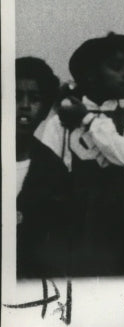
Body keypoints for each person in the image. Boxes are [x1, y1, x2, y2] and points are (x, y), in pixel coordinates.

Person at [39, 33, 124, 277]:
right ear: (89, 75)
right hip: (74, 223)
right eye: (116, 67)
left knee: (118, 294)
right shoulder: (59, 123)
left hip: (118, 222)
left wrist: (88, 119)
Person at [16, 57, 72, 279]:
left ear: (46, 107)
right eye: (16, 97)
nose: (25, 105)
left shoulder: (53, 171)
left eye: (35, 99)